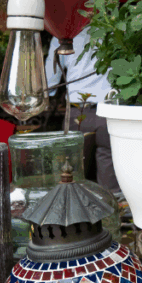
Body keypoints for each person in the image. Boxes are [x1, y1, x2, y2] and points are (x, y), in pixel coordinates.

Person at [46, 27, 121, 195]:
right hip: (108, 111)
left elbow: (51, 79)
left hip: (77, 113)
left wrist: (49, 93)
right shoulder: (114, 29)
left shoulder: (63, 33)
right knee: (110, 188)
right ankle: (111, 218)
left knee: (71, 179)